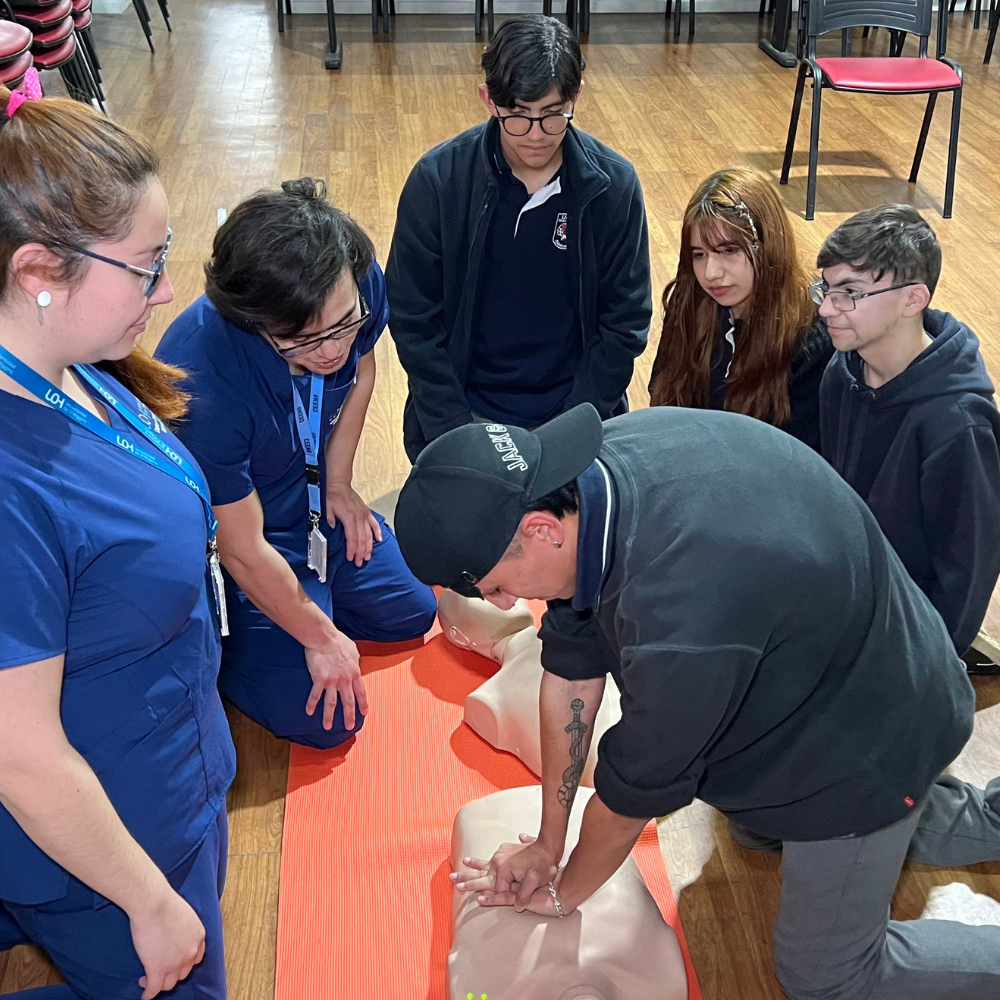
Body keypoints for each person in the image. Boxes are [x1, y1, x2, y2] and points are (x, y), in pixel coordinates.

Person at [393, 403, 1000, 1000]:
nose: (501, 606)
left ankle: (935, 820)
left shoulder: (680, 608)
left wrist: (561, 893)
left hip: (874, 738)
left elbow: (632, 794)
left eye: (498, 585)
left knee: (826, 976)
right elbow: (572, 675)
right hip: (835, 662)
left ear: (541, 530)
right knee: (756, 830)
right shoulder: (586, 480)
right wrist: (549, 842)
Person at [0, 73, 233, 999]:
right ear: (38, 275)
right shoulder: (12, 486)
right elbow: (19, 750)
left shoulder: (76, 364)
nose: (168, 286)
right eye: (145, 264)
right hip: (110, 860)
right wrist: (145, 899)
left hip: (167, 785)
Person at [155, 179, 437, 751]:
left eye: (343, 324)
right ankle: (228, 642)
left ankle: (309, 596)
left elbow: (362, 369)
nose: (332, 350)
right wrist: (318, 634)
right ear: (253, 322)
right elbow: (240, 546)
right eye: (302, 340)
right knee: (327, 720)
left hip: (310, 495)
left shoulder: (355, 284)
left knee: (412, 612)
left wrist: (339, 483)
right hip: (244, 536)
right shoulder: (201, 377)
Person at [385, 14, 651, 463]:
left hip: (573, 409)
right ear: (489, 100)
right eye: (518, 117)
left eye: (553, 116)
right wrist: (456, 430)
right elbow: (413, 321)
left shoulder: (613, 186)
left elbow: (625, 322)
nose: (534, 136)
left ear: (576, 97)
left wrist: (572, 426)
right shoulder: (438, 182)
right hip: (465, 410)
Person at [817, 205, 1000, 657]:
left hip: (906, 647)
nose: (825, 308)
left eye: (849, 292)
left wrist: (922, 668)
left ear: (913, 299)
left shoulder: (958, 424)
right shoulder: (840, 374)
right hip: (842, 607)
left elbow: (965, 577)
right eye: (825, 289)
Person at [648, 168, 833, 452]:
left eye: (729, 250)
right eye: (699, 254)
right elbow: (662, 401)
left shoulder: (813, 335)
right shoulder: (689, 300)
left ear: (768, 246)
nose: (711, 273)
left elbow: (802, 458)